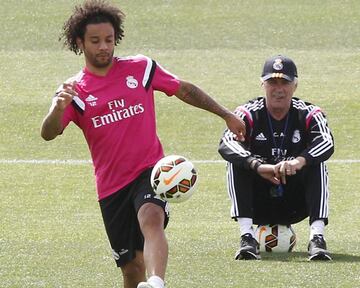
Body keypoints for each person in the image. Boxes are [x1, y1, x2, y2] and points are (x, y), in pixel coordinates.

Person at [40, 1, 245, 287]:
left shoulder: (141, 68)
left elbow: (184, 89)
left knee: (151, 217)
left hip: (150, 172)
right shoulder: (73, 92)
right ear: (80, 42)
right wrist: (58, 109)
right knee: (131, 270)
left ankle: (157, 283)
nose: (104, 47)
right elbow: (48, 133)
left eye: (109, 40)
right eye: (95, 41)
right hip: (111, 188)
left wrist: (225, 114)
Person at [218, 55, 334, 261]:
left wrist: (299, 161)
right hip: (257, 203)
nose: (278, 89)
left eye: (285, 82)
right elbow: (226, 143)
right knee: (237, 163)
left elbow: (327, 142)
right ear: (262, 83)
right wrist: (257, 165)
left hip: (296, 203)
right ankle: (247, 237)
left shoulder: (309, 113)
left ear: (295, 85)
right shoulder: (247, 114)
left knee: (317, 162)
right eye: (272, 82)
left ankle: (317, 238)